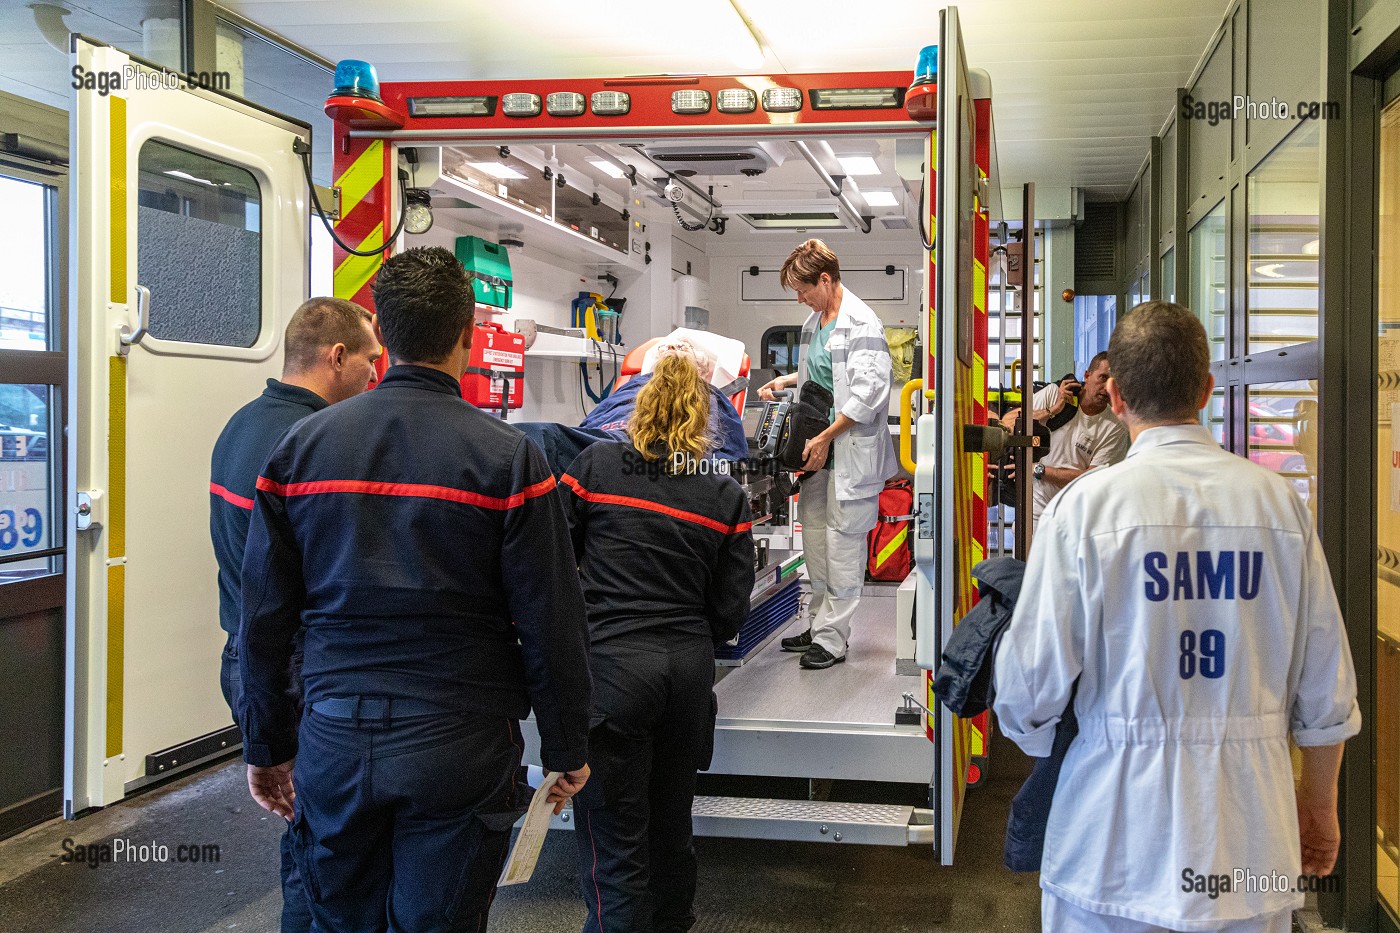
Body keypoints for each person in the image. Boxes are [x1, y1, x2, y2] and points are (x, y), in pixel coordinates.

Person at [236, 246, 592, 933]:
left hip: (334, 735)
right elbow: (551, 620)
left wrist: (265, 742)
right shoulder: (510, 458)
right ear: (467, 336)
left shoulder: (299, 451)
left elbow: (264, 618)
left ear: (382, 334)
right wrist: (565, 745)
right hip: (458, 744)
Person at [993, 300, 1360, 932]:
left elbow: (1028, 690)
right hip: (1249, 850)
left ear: (1117, 396)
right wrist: (1318, 804)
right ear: (1208, 390)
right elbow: (1325, 689)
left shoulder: (1084, 510)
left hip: (1109, 848)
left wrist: (1037, 737)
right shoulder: (1279, 506)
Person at [561, 352, 756, 933]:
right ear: (704, 419)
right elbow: (730, 611)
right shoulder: (724, 496)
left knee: (616, 844)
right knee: (672, 831)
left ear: (638, 408)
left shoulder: (594, 467)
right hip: (686, 679)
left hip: (614, 676)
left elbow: (553, 559)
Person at [208, 296, 378, 933]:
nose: (375, 374)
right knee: (325, 847)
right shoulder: (314, 444)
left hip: (247, 655)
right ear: (336, 357)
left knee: (309, 828)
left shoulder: (240, 424)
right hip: (298, 668)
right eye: (369, 360)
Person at [758, 239, 897, 669]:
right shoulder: (813, 322)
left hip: (847, 454)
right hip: (817, 456)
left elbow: (867, 393)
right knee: (815, 541)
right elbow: (825, 372)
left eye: (803, 290)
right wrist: (786, 381)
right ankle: (818, 624)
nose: (799, 298)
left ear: (825, 279)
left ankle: (833, 639)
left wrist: (825, 438)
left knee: (842, 547)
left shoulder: (862, 323)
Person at [1029, 351, 1129, 531]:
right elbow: (1011, 422)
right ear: (1087, 376)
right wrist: (1052, 410)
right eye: (1103, 378)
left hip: (1076, 519)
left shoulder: (1115, 428)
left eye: (1114, 383)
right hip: (1035, 510)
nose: (1107, 387)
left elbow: (1091, 480)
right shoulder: (1054, 394)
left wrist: (1039, 470)